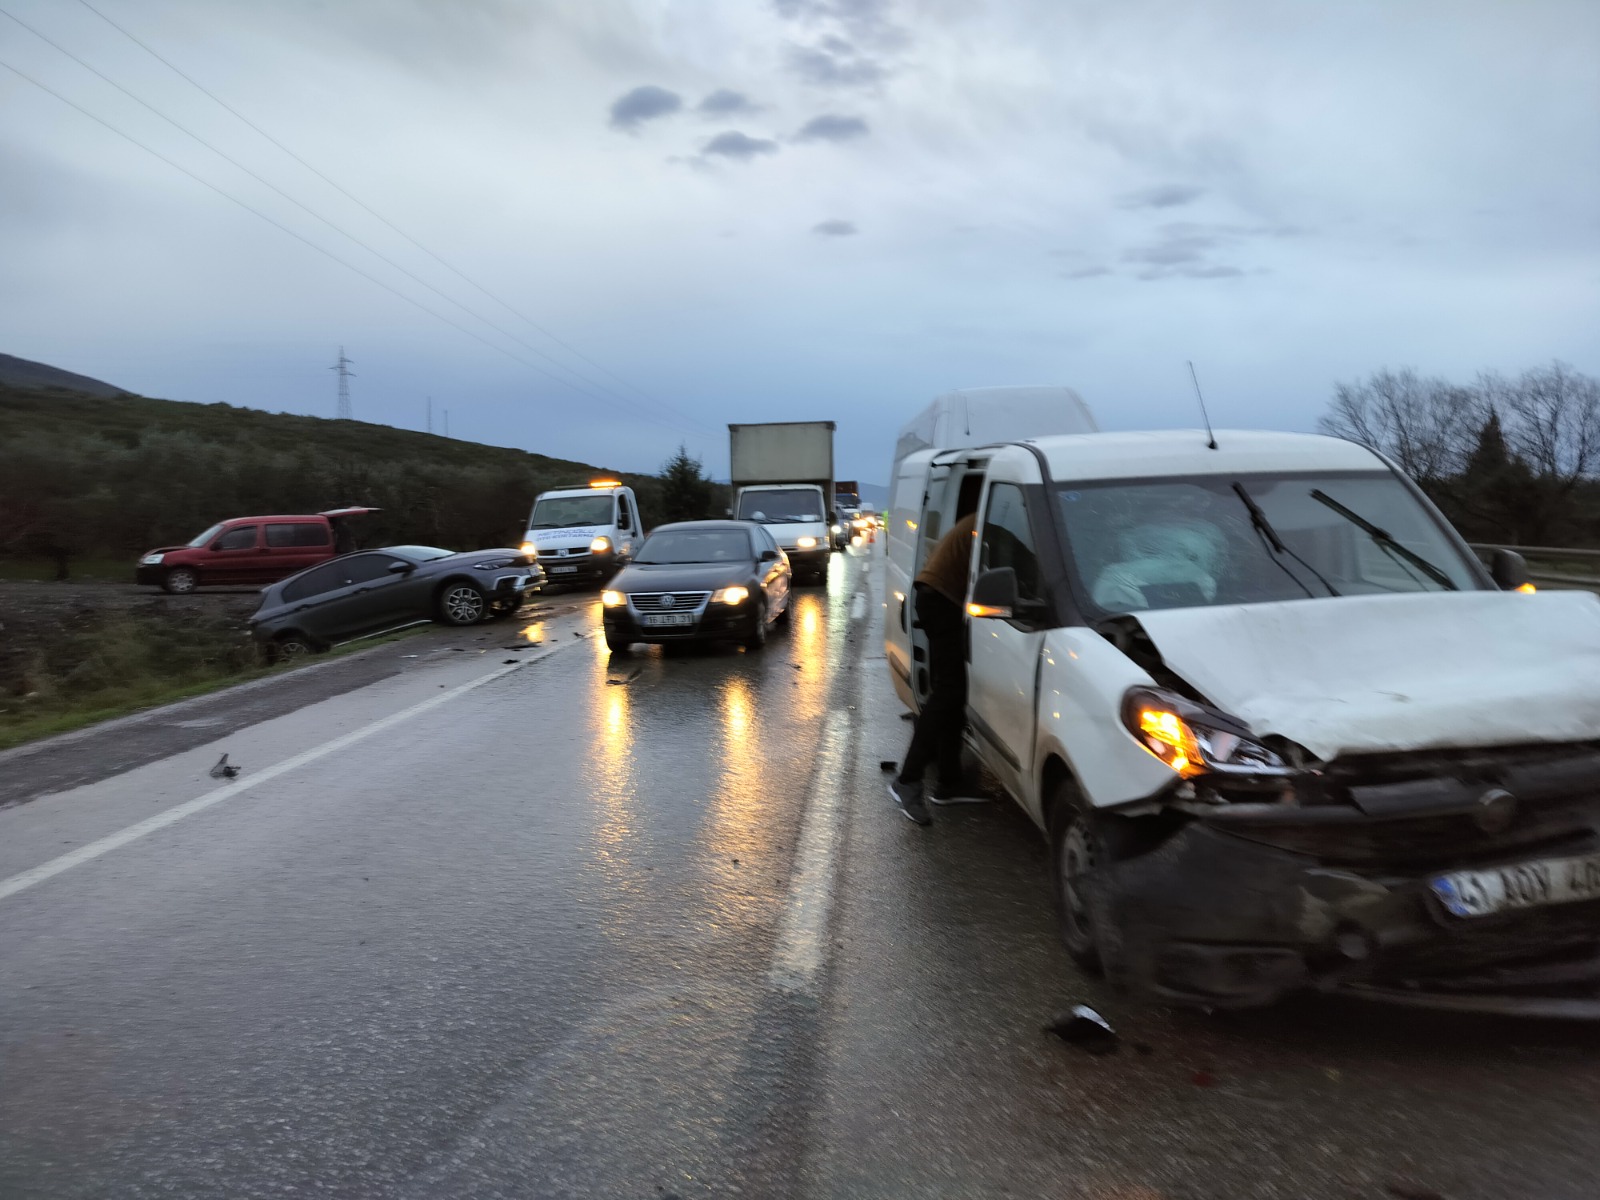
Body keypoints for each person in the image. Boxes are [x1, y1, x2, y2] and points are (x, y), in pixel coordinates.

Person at [888, 504, 982, 825]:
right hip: (941, 601)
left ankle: (949, 782)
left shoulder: (981, 519)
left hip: (935, 597)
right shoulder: (991, 522)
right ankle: (907, 781)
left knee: (953, 694)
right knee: (948, 692)